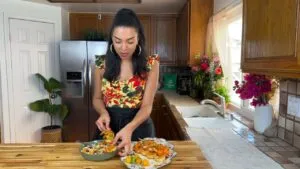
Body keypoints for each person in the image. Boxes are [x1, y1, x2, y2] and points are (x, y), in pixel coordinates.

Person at [92, 8, 160, 156]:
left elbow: (147, 106)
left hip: (139, 127)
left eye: (130, 41)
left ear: (138, 39)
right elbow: (97, 99)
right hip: (108, 129)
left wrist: (129, 128)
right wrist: (103, 112)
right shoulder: (100, 64)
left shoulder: (151, 64)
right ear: (112, 39)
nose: (123, 48)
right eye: (118, 41)